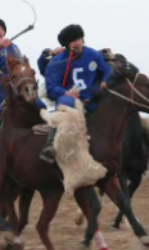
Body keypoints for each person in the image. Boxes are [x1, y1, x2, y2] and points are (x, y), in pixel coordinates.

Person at [40, 24, 112, 163]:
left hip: (92, 99)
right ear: (67, 45)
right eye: (73, 41)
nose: (78, 43)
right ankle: (50, 145)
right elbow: (51, 87)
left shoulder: (93, 54)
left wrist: (105, 81)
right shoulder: (57, 61)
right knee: (64, 106)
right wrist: (65, 92)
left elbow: (106, 70)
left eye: (79, 39)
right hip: (70, 100)